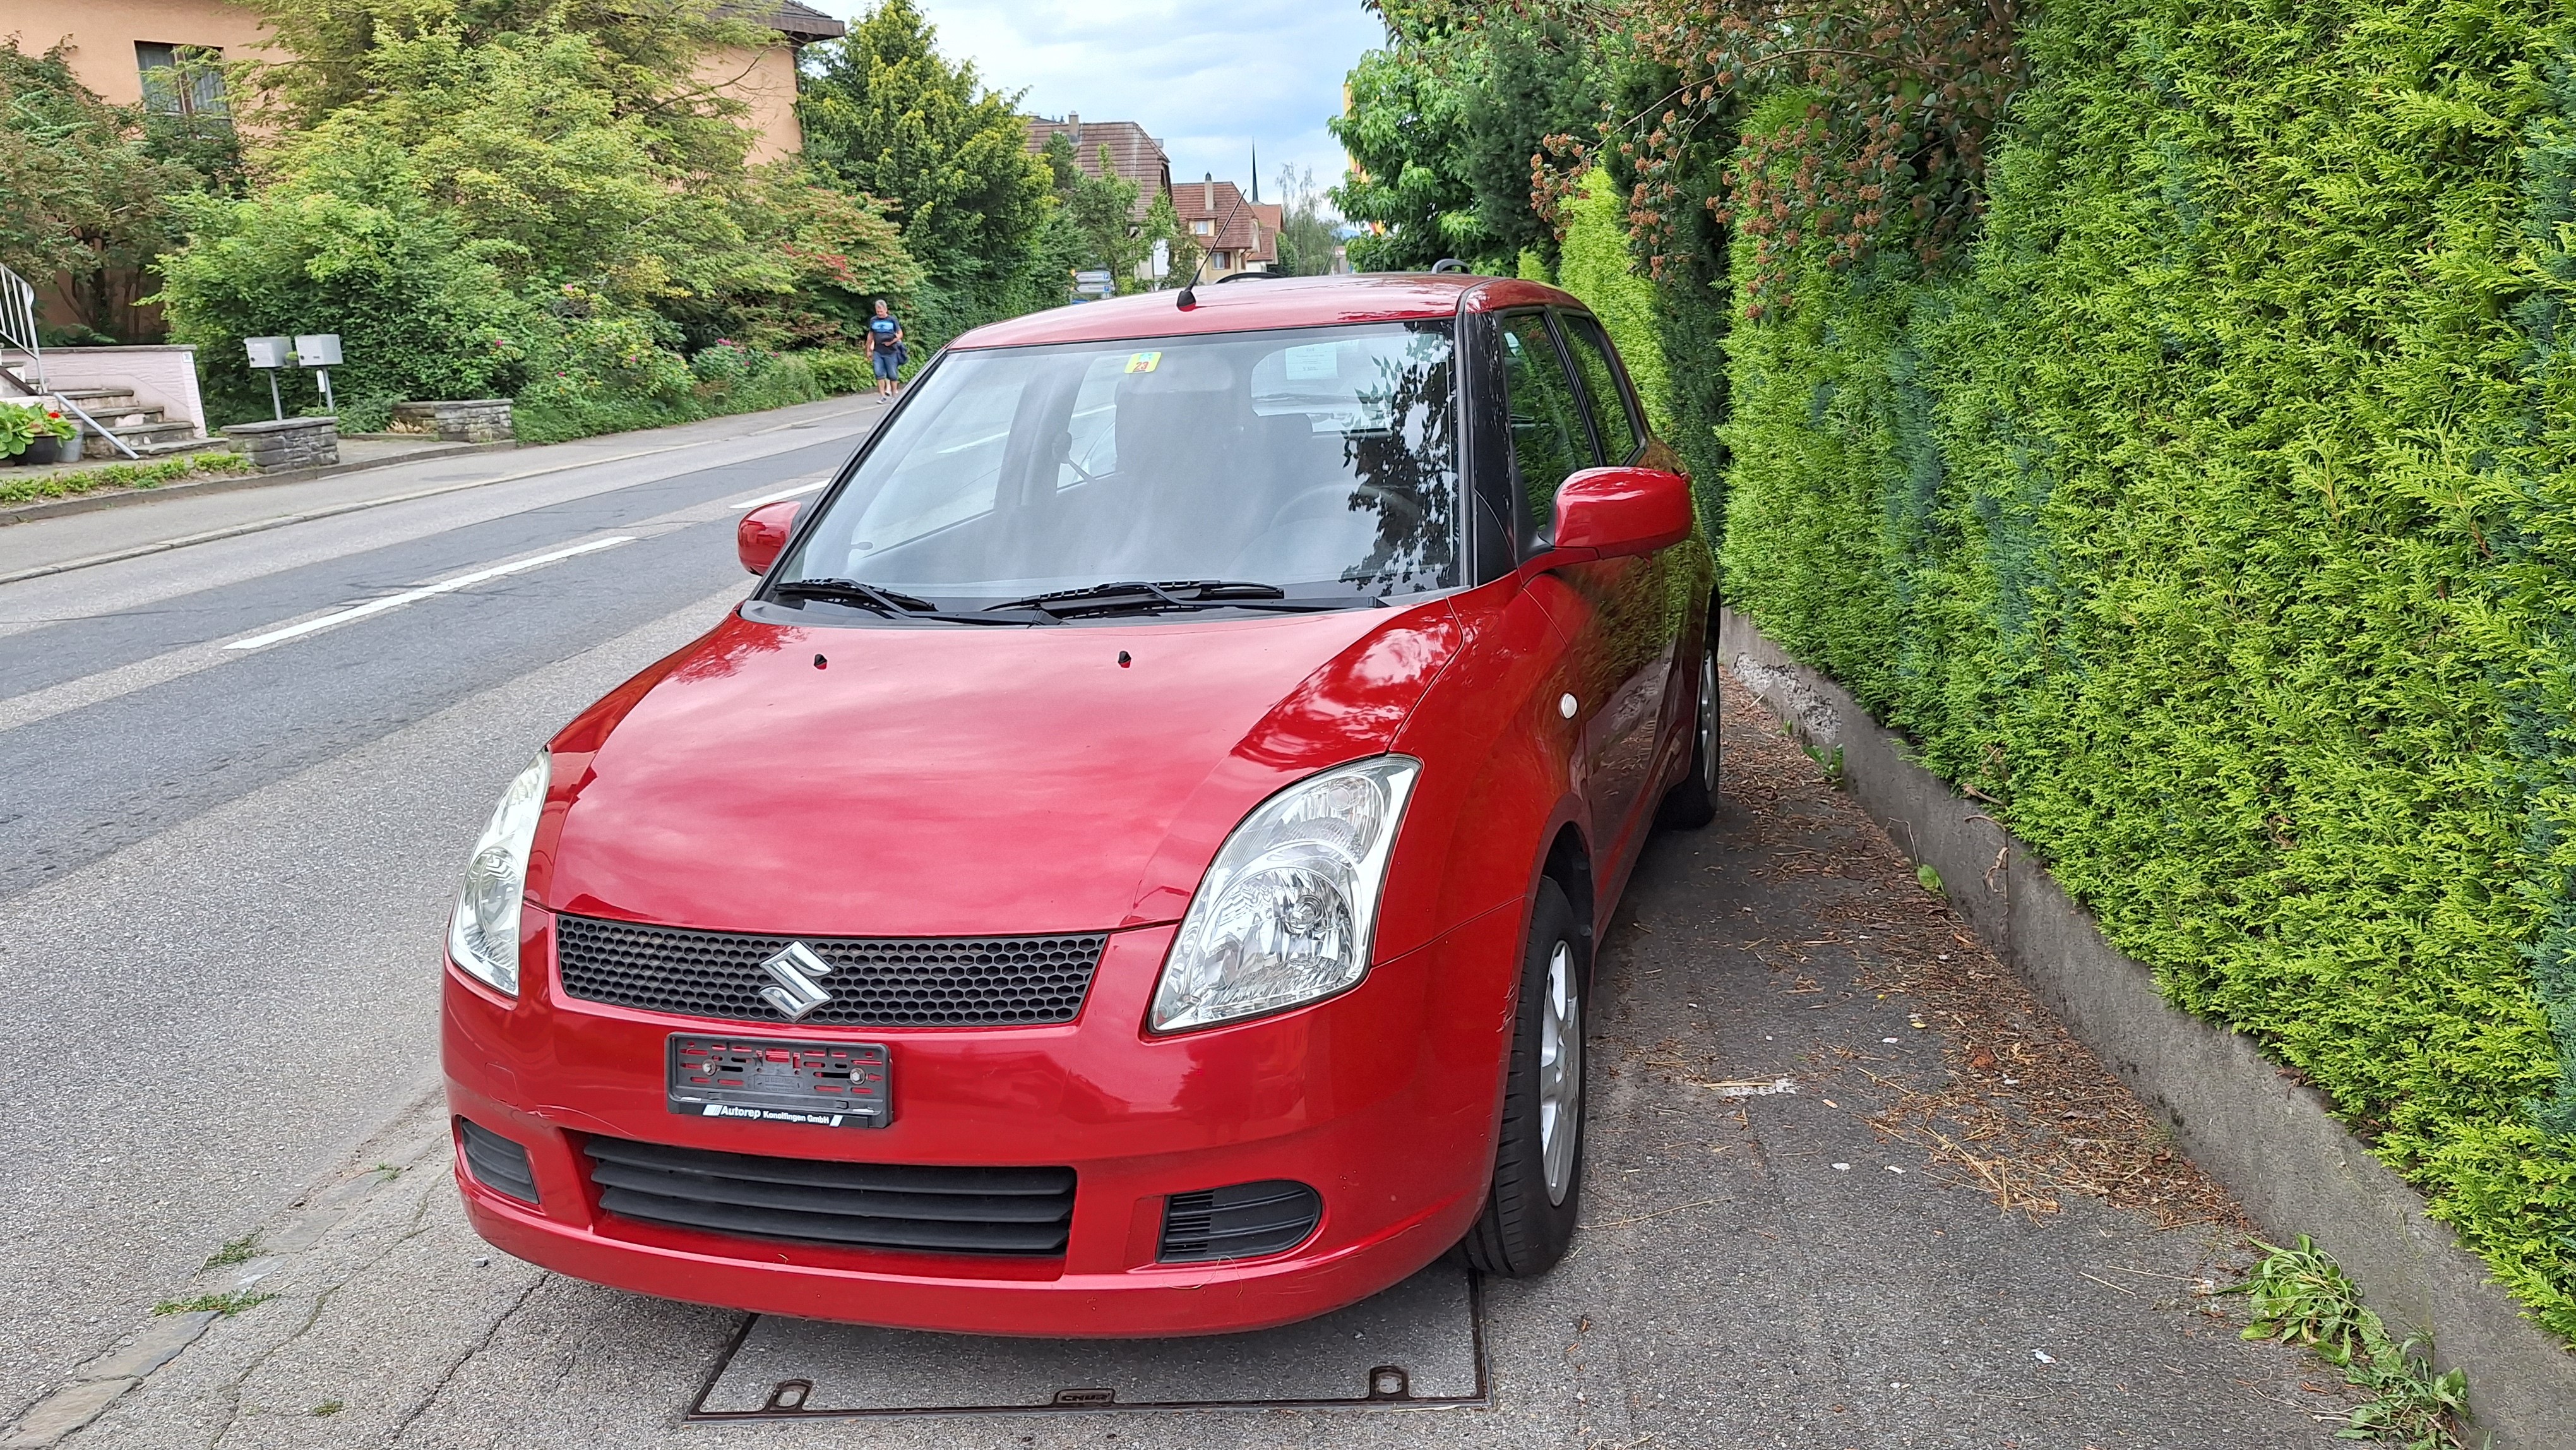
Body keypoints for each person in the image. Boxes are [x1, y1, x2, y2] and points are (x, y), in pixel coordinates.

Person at [867, 300, 906, 398]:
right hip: (878, 351)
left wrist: (892, 342)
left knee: (892, 375)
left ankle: (893, 395)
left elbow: (900, 334)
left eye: (881, 311)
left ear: (886, 310)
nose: (879, 313)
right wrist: (868, 350)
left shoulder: (892, 320)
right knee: (878, 373)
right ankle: (882, 396)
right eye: (878, 311)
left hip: (891, 351)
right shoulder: (873, 320)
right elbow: (871, 335)